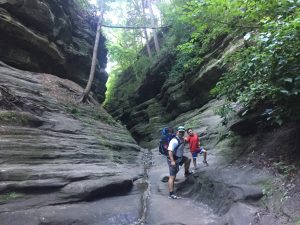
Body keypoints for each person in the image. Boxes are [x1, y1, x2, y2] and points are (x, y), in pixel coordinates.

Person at [167, 126, 192, 199]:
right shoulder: (174, 141)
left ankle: (186, 172)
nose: (181, 133)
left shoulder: (182, 139)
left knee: (188, 160)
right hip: (173, 159)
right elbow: (170, 151)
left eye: (182, 132)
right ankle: (171, 194)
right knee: (172, 177)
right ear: (177, 132)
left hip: (180, 158)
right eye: (180, 132)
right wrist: (172, 161)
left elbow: (186, 140)